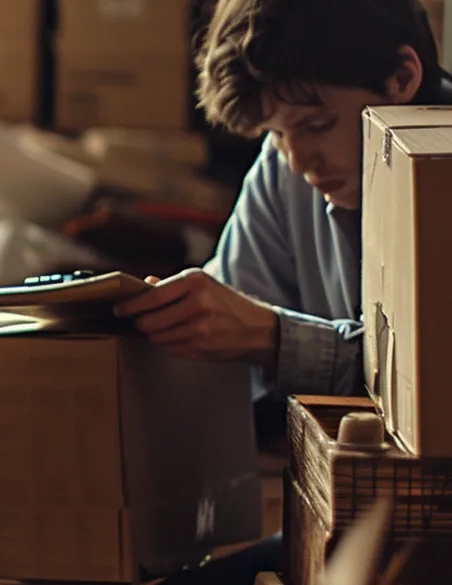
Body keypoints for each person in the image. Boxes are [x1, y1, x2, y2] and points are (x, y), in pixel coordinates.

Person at [115, 0, 452, 403]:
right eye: (275, 133)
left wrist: (272, 338)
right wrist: (186, 322)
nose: (298, 162)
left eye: (317, 125)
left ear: (401, 78)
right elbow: (232, 320)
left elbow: (435, 385)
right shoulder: (283, 168)